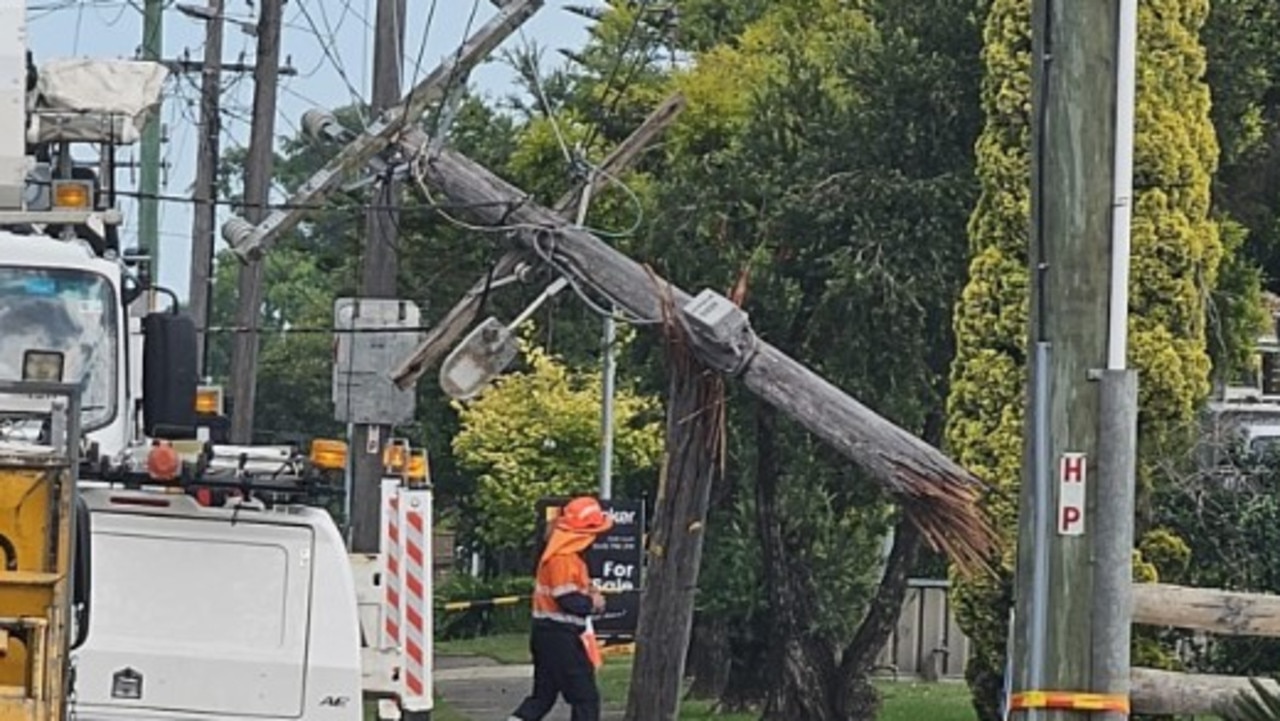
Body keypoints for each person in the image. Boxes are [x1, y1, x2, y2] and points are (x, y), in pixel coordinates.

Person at [507, 496, 613, 721]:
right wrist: (594, 603)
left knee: (542, 698)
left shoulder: (561, 557)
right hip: (561, 637)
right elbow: (568, 600)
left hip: (547, 635)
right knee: (585, 698)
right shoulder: (564, 559)